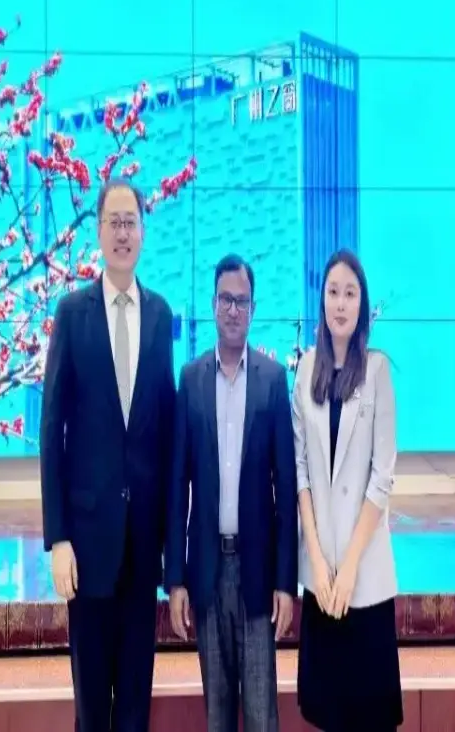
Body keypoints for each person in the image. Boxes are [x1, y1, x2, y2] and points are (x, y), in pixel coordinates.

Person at [39, 179, 178, 732]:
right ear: (98, 232)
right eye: (113, 221)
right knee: (92, 710)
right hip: (89, 547)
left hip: (142, 547)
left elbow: (164, 432)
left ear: (143, 233)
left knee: (135, 711)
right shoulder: (72, 313)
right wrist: (58, 538)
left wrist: (172, 544)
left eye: (132, 221)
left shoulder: (162, 315)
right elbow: (52, 429)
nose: (123, 232)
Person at [165, 255, 298, 732]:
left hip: (258, 573)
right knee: (217, 714)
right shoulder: (191, 380)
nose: (234, 309)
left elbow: (286, 493)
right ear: (214, 304)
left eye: (242, 301)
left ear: (253, 308)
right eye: (226, 299)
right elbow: (177, 487)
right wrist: (175, 579)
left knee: (262, 715)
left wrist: (287, 582)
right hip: (207, 570)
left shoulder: (272, 380)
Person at [290, 249, 401, 732]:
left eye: (350, 293)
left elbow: (383, 476)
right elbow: (300, 473)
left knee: (368, 716)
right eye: (333, 292)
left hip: (365, 574)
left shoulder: (377, 371)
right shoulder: (305, 368)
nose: (341, 303)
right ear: (322, 302)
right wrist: (317, 559)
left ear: (362, 305)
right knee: (327, 714)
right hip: (322, 575)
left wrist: (351, 563)